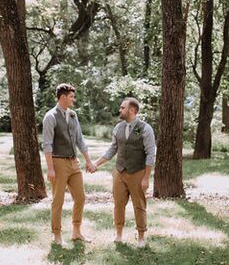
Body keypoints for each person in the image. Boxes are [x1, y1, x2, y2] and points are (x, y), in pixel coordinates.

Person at [93, 97, 156, 248]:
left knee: (139, 205)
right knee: (118, 204)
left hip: (137, 172)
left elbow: (150, 154)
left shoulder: (145, 128)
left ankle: (141, 237)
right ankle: (119, 234)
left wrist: (146, 178)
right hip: (120, 171)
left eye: (123, 108)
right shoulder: (118, 128)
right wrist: (96, 164)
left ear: (132, 110)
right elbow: (112, 149)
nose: (120, 110)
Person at [42, 83, 96, 246]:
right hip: (58, 163)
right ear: (63, 97)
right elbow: (47, 144)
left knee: (80, 198)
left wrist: (87, 159)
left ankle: (76, 231)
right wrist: (50, 168)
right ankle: (57, 236)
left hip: (74, 163)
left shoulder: (73, 115)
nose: (74, 99)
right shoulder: (50, 117)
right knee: (58, 200)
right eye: (71, 96)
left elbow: (79, 139)